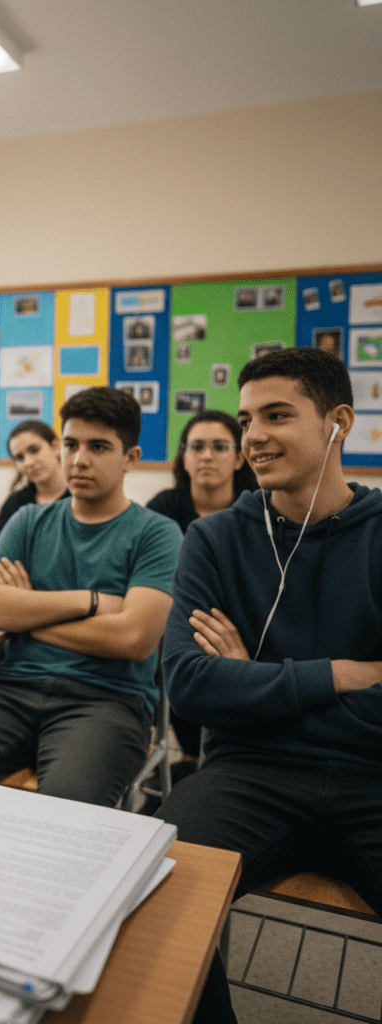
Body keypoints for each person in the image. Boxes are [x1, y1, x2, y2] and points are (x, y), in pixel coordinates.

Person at [156, 347, 382, 1024]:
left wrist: (253, 682)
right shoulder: (215, 539)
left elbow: (222, 690)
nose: (252, 437)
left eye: (276, 415)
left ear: (338, 422)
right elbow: (191, 687)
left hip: (373, 776)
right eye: (248, 418)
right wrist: (338, 676)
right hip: (248, 775)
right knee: (146, 890)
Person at [0, 388, 182, 805]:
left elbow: (133, 640)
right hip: (13, 688)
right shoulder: (29, 520)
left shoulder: (156, 533)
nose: (79, 459)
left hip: (107, 700)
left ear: (131, 458)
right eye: (71, 444)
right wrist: (92, 602)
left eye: (98, 447)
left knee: (66, 806)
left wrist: (27, 615)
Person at [147, 411, 257, 776]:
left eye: (220, 446)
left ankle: (234, 757)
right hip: (177, 626)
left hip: (242, 628)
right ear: (184, 456)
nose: (207, 456)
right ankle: (191, 759)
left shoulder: (259, 508)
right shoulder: (164, 508)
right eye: (197, 447)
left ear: (239, 456)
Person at [0, 419, 69, 557]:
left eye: (34, 450)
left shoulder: (82, 497)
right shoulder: (15, 504)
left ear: (55, 446)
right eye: (19, 458)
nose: (28, 462)